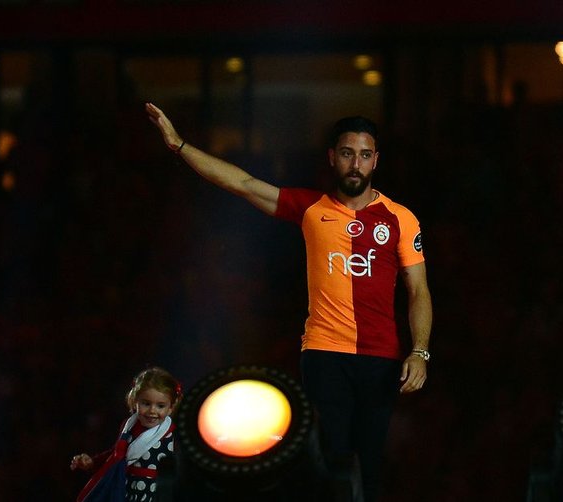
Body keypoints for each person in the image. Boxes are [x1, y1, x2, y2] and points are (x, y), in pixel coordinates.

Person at [146, 103, 433, 501]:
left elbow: (419, 291)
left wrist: (420, 351)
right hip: (324, 353)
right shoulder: (312, 209)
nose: (356, 164)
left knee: (370, 464)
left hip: (381, 357)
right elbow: (243, 184)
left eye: (364, 155)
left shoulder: (401, 218)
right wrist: (179, 145)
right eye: (347, 153)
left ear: (375, 160)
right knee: (330, 460)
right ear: (332, 157)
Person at [71, 366, 183, 502]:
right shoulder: (129, 426)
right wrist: (92, 462)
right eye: (146, 403)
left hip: (157, 495)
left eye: (160, 406)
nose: (152, 411)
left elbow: (181, 468)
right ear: (135, 401)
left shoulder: (172, 434)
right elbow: (116, 455)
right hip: (124, 491)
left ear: (171, 407)